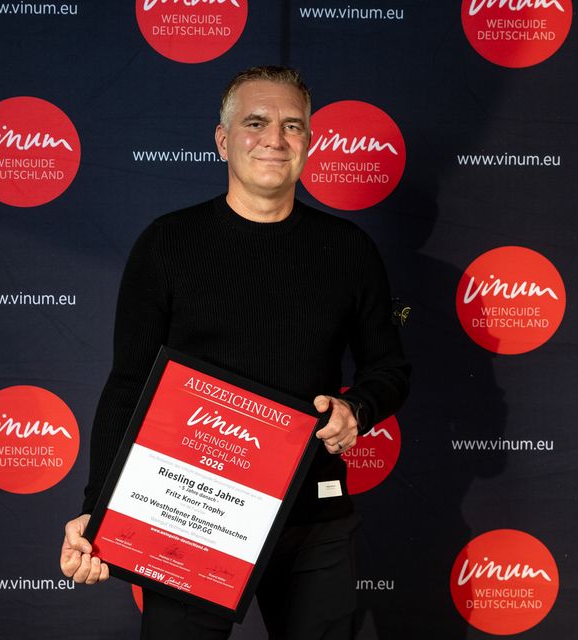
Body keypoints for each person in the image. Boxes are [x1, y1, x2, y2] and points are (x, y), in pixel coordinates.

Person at [60, 65, 410, 640]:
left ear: (309, 141)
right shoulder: (168, 243)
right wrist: (98, 509)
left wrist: (359, 408)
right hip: (190, 516)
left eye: (292, 126)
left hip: (312, 517)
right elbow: (128, 384)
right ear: (223, 140)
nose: (275, 139)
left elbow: (389, 368)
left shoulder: (349, 249)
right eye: (256, 122)